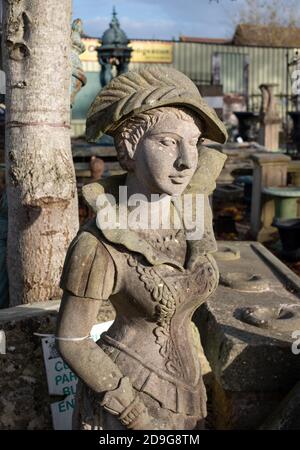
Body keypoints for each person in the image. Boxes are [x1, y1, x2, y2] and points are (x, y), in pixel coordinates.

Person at [56, 66, 227, 430]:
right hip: (128, 401)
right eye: (167, 142)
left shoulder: (192, 212)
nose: (185, 161)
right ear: (130, 146)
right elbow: (72, 339)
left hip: (191, 391)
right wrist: (132, 412)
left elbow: (204, 175)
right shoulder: (98, 243)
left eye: (193, 143)